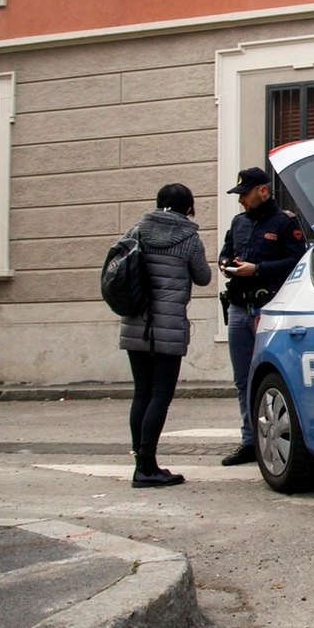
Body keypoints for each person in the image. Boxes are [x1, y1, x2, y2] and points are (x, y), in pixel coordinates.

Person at [120, 183, 212, 487]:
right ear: (189, 207)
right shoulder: (189, 239)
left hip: (136, 321)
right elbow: (203, 277)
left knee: (141, 394)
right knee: (160, 395)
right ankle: (147, 468)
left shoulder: (137, 231)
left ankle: (141, 463)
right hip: (169, 326)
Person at [219, 166, 307, 466]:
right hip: (238, 307)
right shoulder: (239, 222)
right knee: (243, 380)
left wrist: (256, 270)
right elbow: (226, 250)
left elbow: (297, 261)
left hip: (265, 309)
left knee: (267, 378)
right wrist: (225, 263)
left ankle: (272, 439)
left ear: (263, 191)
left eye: (245, 194)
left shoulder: (284, 223)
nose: (241, 200)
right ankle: (249, 440)